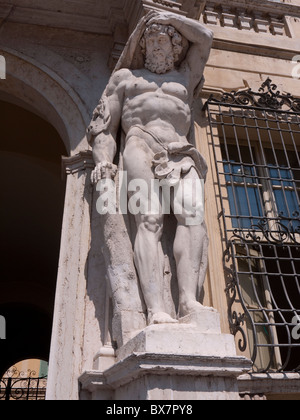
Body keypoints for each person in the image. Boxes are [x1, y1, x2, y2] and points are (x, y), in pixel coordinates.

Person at [88, 11, 214, 325]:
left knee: (193, 218)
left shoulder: (186, 76)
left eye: (164, 41)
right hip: (139, 144)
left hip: (180, 150)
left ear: (176, 47)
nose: (157, 47)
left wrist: (174, 19)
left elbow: (206, 39)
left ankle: (187, 301)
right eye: (151, 41)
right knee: (149, 220)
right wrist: (104, 161)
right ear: (143, 45)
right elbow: (105, 128)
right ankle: (156, 307)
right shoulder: (125, 79)